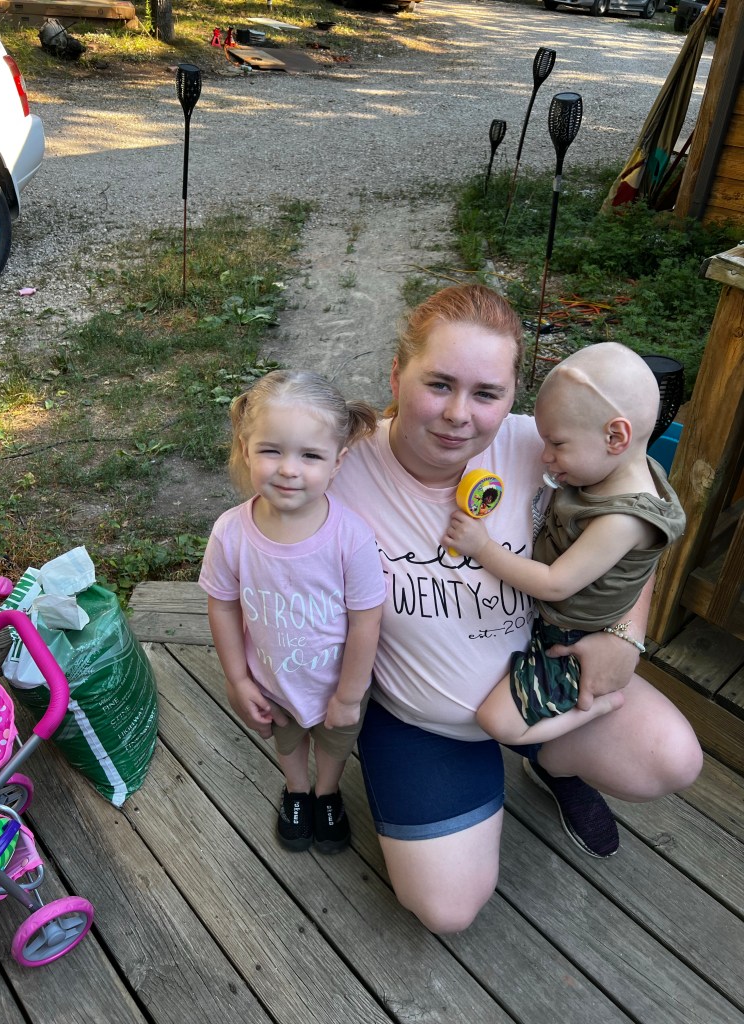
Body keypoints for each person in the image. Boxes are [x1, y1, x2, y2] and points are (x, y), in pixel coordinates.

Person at [229, 285, 702, 934]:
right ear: (397, 375)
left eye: (486, 393)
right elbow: (258, 548)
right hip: (421, 719)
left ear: (512, 397)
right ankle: (446, 778)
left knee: (672, 759)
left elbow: (636, 522)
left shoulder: (547, 451)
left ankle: (554, 763)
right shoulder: (340, 464)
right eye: (439, 384)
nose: (459, 415)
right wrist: (257, 673)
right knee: (446, 908)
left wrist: (626, 633)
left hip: (543, 674)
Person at [443, 342, 686, 746]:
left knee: (499, 722)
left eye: (557, 444)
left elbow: (555, 583)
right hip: (553, 625)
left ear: (616, 436)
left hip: (570, 640)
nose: (545, 456)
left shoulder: (622, 520)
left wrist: (481, 547)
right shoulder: (614, 470)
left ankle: (598, 707)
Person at [199, 370, 386, 855]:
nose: (288, 469)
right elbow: (221, 605)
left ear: (337, 461)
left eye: (310, 456)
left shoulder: (350, 537)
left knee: (334, 744)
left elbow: (366, 620)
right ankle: (297, 791)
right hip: (272, 681)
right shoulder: (230, 533)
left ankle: (327, 793)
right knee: (288, 741)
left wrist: (349, 694)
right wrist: (237, 679)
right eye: (271, 450)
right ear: (246, 449)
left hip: (336, 685)